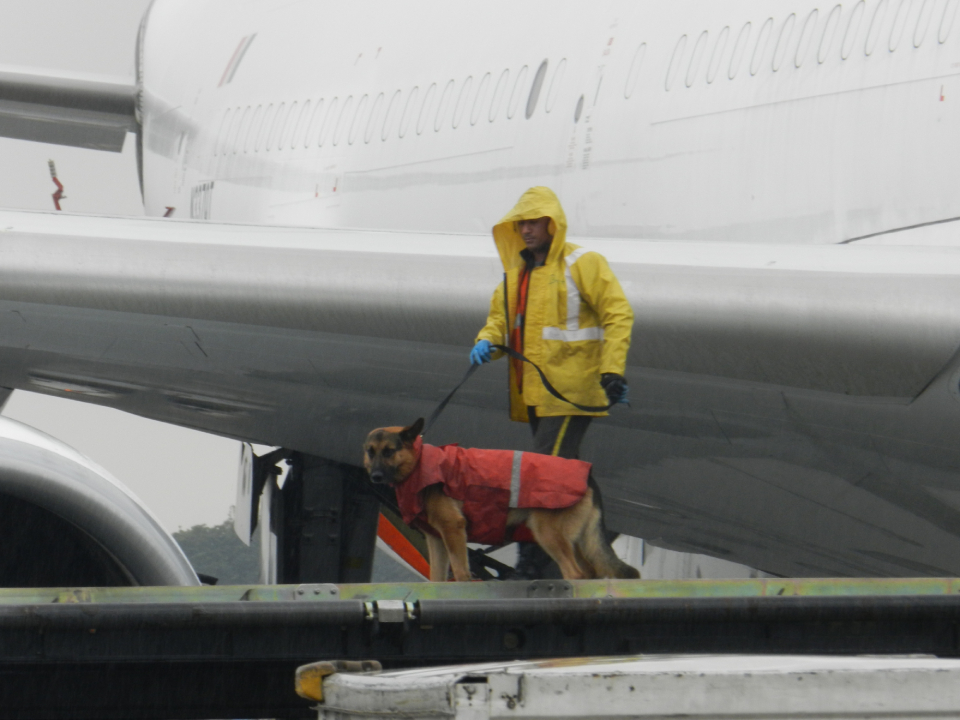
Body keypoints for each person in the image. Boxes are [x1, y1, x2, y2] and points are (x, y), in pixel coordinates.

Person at [470, 186, 634, 578]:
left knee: (544, 475)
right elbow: (500, 321)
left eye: (533, 222)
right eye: (521, 223)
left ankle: (540, 562)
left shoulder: (582, 263)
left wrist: (613, 369)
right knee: (571, 475)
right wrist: (486, 341)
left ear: (552, 224)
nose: (526, 230)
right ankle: (604, 561)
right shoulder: (517, 275)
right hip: (535, 394)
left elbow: (618, 313)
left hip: (571, 393)